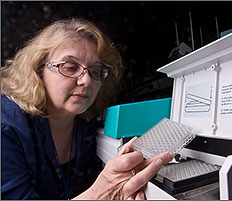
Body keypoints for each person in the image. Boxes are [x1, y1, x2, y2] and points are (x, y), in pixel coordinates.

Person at [1, 18, 173, 200]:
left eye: (96, 71)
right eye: (70, 67)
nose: (86, 81)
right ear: (38, 69)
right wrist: (102, 193)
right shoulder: (6, 128)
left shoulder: (85, 126)